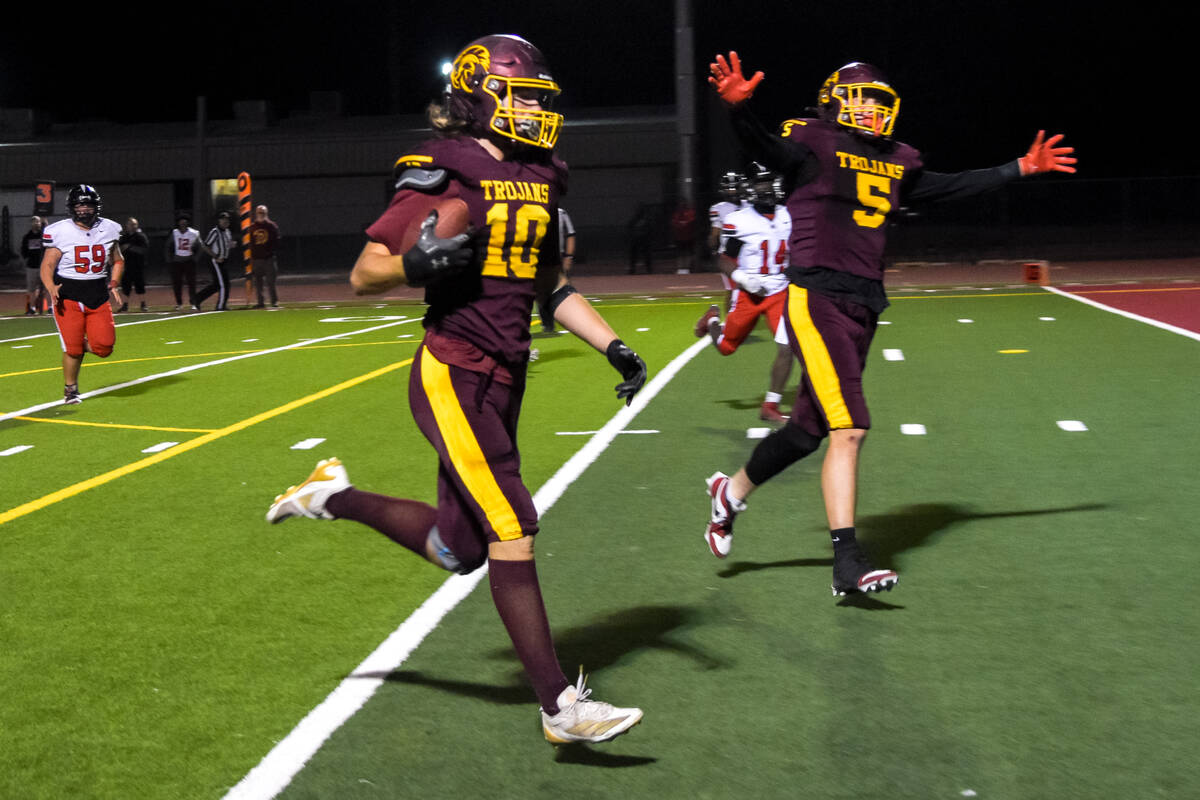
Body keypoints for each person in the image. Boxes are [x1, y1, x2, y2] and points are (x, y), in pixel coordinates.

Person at [265, 34, 647, 745]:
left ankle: (329, 495)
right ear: (479, 93)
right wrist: (416, 263)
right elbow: (364, 271)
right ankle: (560, 705)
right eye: (522, 92)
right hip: (454, 370)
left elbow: (546, 286)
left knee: (458, 547)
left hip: (508, 373)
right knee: (513, 525)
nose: (534, 106)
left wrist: (614, 346)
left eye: (540, 95)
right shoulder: (444, 167)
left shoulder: (542, 173)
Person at [703, 53, 1077, 594]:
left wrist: (1017, 168)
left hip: (863, 303)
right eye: (862, 98)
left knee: (809, 431)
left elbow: (949, 187)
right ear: (835, 100)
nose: (873, 109)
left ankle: (730, 494)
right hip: (816, 296)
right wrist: (738, 112)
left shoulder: (898, 159)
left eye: (880, 101)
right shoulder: (814, 141)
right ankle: (847, 563)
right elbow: (766, 147)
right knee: (849, 428)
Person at [693, 163, 794, 423]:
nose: (768, 188)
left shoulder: (788, 215)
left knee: (787, 347)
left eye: (770, 182)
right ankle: (713, 320)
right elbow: (724, 261)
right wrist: (745, 281)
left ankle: (771, 405)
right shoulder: (739, 220)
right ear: (751, 188)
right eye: (762, 183)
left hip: (780, 290)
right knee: (726, 348)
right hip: (749, 292)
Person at [40, 185, 124, 405]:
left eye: (88, 205)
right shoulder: (60, 231)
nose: (84, 209)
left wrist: (114, 283)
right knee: (74, 350)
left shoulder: (109, 228)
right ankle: (70, 389)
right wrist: (50, 286)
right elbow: (48, 264)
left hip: (97, 293)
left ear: (96, 206)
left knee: (104, 348)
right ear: (72, 207)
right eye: (79, 205)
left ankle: (76, 341)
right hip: (67, 294)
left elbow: (117, 259)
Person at [537, 207, 575, 333]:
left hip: (557, 257)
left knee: (562, 288)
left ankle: (570, 319)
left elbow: (570, 234)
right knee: (540, 291)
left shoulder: (561, 213)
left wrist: (568, 256)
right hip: (539, 257)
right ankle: (547, 324)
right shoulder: (533, 210)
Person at [195, 211, 234, 310]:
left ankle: (196, 299)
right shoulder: (215, 232)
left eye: (227, 220)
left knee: (217, 285)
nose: (225, 222)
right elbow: (205, 246)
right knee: (224, 284)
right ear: (219, 221)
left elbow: (227, 245)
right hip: (216, 261)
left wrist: (232, 245)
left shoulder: (228, 232)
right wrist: (216, 256)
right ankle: (221, 306)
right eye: (223, 219)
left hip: (225, 260)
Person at [165, 212, 200, 311]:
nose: (183, 222)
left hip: (189, 260)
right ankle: (179, 303)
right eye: (181, 220)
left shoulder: (194, 233)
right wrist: (169, 260)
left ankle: (193, 303)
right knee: (177, 283)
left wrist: (195, 258)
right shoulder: (174, 233)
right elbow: (168, 246)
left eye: (185, 220)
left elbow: (200, 246)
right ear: (178, 222)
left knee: (191, 283)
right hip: (177, 261)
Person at [707, 171, 746, 258]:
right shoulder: (718, 208)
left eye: (735, 188)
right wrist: (713, 249)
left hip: (749, 250)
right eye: (729, 188)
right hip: (728, 251)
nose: (732, 192)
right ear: (723, 190)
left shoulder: (750, 205)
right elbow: (715, 233)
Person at [248, 204, 281, 308]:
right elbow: (250, 243)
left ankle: (274, 301)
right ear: (256, 214)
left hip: (269, 258)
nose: (261, 214)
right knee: (258, 282)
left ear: (266, 214)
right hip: (257, 259)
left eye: (263, 213)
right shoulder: (253, 227)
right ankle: (260, 302)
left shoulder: (272, 226)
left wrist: (271, 252)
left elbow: (277, 241)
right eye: (259, 212)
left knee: (271, 282)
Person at [118, 217, 149, 312]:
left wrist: (130, 247)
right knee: (125, 285)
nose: (132, 226)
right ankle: (125, 305)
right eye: (130, 224)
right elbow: (119, 250)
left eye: (134, 224)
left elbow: (144, 250)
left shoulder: (141, 237)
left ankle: (143, 304)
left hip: (138, 265)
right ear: (126, 226)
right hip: (126, 265)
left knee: (140, 285)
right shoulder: (123, 237)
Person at [21, 216, 48, 315]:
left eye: (38, 222)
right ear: (31, 223)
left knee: (47, 287)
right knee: (31, 288)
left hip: (44, 265)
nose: (36, 223)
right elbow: (24, 250)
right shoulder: (27, 237)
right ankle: (32, 308)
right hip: (32, 266)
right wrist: (28, 257)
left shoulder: (44, 235)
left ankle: (50, 307)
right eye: (34, 222)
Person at [670, 199, 696, 273]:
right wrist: (680, 224)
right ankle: (680, 268)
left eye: (683, 204)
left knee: (689, 253)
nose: (682, 205)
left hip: (689, 236)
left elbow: (692, 221)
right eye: (680, 204)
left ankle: (688, 268)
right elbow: (674, 222)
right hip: (679, 237)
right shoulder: (676, 214)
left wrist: (685, 223)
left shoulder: (690, 212)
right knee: (680, 254)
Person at [628, 203, 653, 274]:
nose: (639, 212)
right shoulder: (634, 219)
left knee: (646, 255)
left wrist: (647, 236)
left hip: (644, 240)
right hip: (636, 240)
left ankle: (649, 269)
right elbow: (629, 227)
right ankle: (632, 269)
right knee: (634, 255)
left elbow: (650, 229)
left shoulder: (646, 220)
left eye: (640, 210)